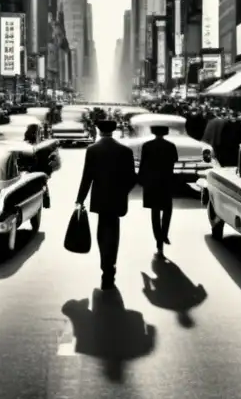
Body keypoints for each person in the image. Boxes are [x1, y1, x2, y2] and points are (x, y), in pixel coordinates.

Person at [75, 118, 137, 291]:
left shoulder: (92, 150)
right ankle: (111, 266)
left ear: (98, 130)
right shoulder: (125, 150)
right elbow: (132, 178)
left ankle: (104, 265)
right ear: (115, 130)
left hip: (100, 198)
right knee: (114, 233)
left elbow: (87, 177)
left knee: (102, 231)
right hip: (117, 199)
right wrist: (122, 191)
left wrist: (80, 199)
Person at [139, 124, 178, 258]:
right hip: (166, 181)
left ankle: (158, 240)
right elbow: (174, 161)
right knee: (167, 210)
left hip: (151, 183)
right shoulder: (171, 146)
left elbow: (143, 164)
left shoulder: (146, 146)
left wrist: (141, 181)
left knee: (155, 212)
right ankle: (164, 234)